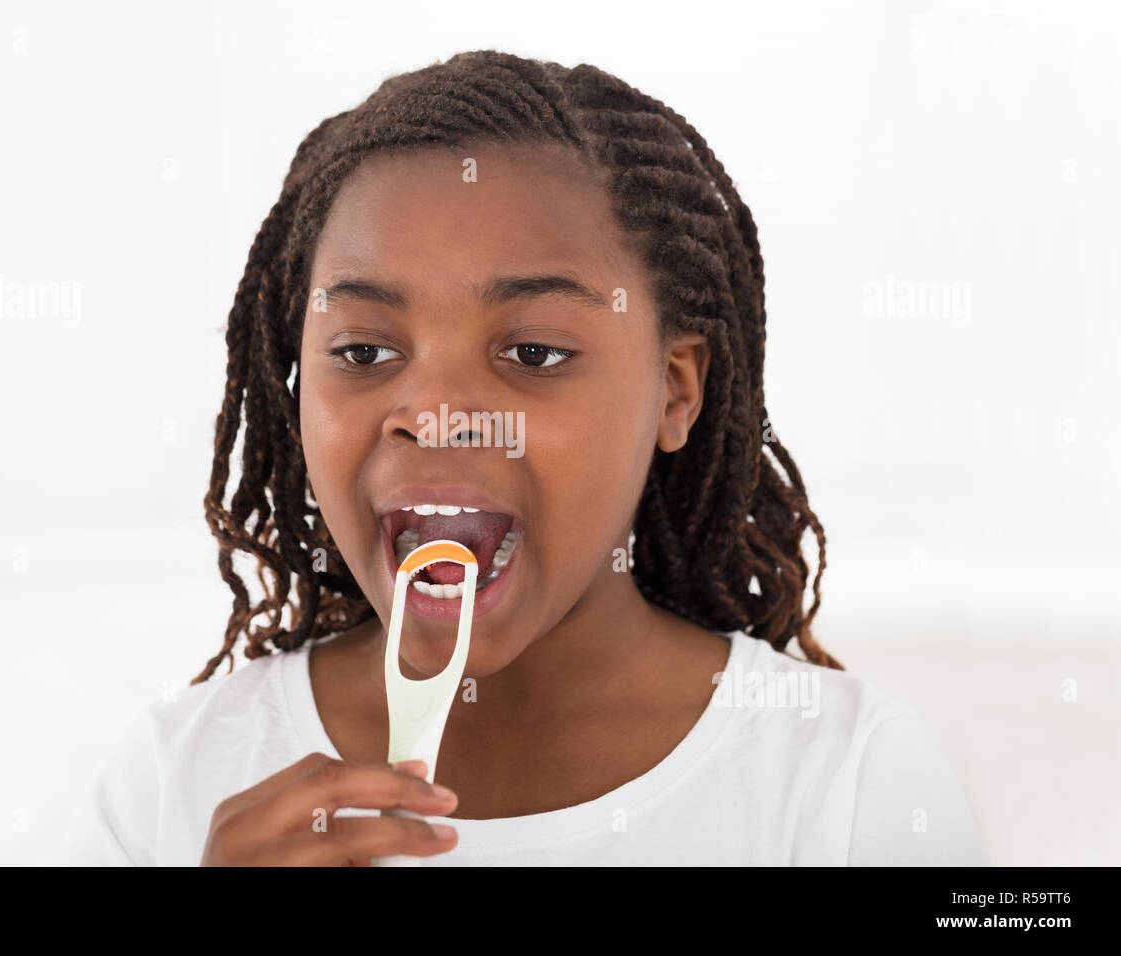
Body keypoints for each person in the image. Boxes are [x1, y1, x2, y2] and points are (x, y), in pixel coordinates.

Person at [60, 50, 984, 866]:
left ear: (675, 389)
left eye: (533, 353)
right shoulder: (170, 791)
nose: (439, 418)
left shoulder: (850, 790)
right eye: (363, 352)